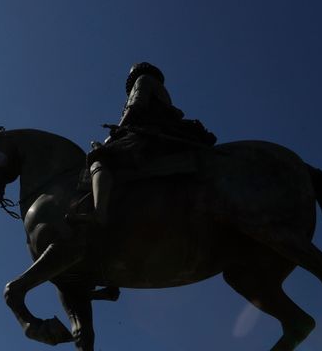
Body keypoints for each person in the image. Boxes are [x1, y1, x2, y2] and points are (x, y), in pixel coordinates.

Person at [71, 62, 215, 232]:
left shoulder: (143, 80)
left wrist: (115, 133)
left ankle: (99, 212)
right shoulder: (160, 89)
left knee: (99, 157)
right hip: (158, 133)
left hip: (148, 135)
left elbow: (136, 106)